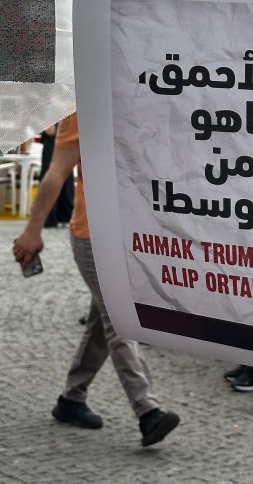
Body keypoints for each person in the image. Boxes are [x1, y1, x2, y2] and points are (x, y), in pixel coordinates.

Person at [12, 112, 180, 447]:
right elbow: (56, 172)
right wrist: (32, 231)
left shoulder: (135, 101)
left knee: (101, 324)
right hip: (94, 236)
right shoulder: (80, 112)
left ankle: (71, 399)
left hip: (129, 235)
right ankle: (148, 410)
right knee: (120, 321)